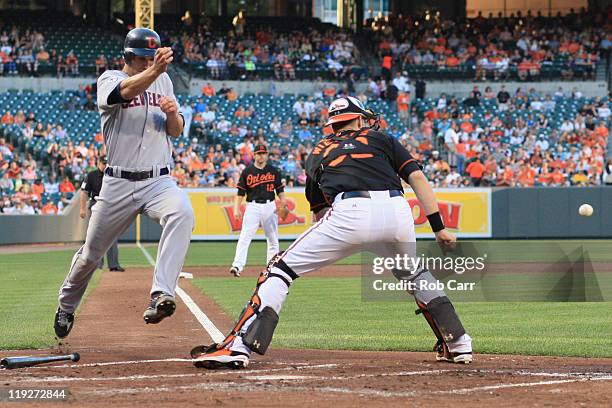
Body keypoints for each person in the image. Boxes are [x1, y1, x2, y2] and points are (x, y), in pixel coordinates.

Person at [192, 96, 472, 369]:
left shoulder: (317, 151)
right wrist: (439, 228)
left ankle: (238, 346)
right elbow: (417, 178)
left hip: (350, 210)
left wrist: (331, 247)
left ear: (334, 124)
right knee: (414, 273)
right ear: (360, 119)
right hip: (398, 212)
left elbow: (320, 214)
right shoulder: (383, 139)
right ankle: (458, 342)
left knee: (279, 270)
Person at [53, 28, 194, 339]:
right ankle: (66, 304)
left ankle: (161, 294)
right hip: (117, 183)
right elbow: (123, 93)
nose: (148, 63)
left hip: (158, 180)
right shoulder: (109, 78)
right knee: (91, 254)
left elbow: (176, 130)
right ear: (129, 57)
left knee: (183, 211)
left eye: (151, 58)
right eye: (143, 58)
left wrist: (173, 115)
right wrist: (155, 69)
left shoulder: (164, 80)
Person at [229, 144, 286, 277]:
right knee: (245, 236)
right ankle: (237, 265)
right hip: (252, 206)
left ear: (266, 155)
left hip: (269, 205)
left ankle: (271, 268)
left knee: (272, 238)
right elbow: (240, 193)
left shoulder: (273, 171)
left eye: (263, 153)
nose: (261, 156)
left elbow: (280, 190)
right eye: (259, 153)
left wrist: (283, 203)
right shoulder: (247, 171)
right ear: (254, 155)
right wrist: (236, 209)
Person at [80, 156, 125, 272]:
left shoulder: (113, 175)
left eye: (106, 163)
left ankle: (113, 265)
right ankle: (96, 264)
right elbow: (84, 192)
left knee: (112, 236)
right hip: (96, 204)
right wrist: (82, 209)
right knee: (95, 236)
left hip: (111, 206)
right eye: (103, 163)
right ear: (98, 164)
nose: (104, 165)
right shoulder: (91, 175)